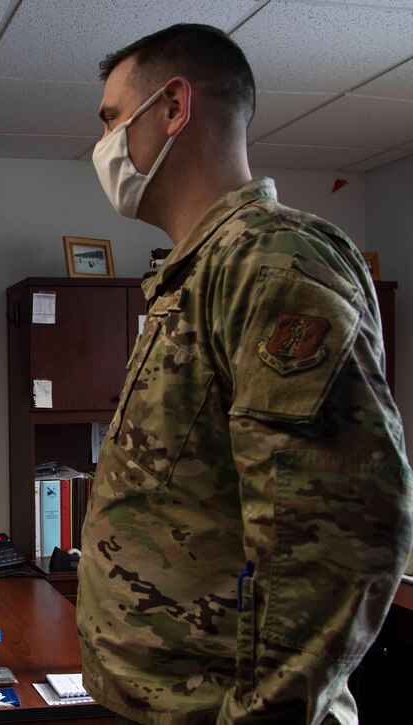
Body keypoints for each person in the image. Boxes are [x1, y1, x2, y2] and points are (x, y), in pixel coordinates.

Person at [77, 24, 412, 724]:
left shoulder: (272, 264)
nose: (104, 146)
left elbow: (334, 541)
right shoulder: (196, 272)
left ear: (173, 106)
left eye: (112, 120)